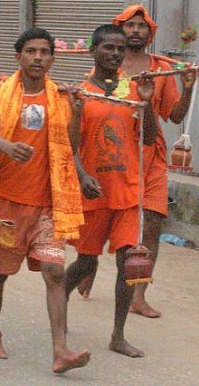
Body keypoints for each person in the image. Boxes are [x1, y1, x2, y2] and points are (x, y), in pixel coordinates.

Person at [0, 27, 93, 374]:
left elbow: (70, 145)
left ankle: (60, 350)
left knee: (54, 272)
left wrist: (78, 112)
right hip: (6, 203)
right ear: (18, 56)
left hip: (47, 207)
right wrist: (7, 146)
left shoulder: (62, 97)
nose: (38, 57)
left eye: (45, 52)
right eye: (31, 51)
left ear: (52, 58)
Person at [75, 6, 197, 317]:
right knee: (99, 223)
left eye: (142, 26)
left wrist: (188, 88)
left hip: (150, 156)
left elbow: (175, 116)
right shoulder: (103, 71)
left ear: (149, 33)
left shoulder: (160, 68)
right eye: (130, 25)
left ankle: (138, 294)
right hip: (113, 159)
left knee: (152, 224)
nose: (136, 31)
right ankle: (87, 266)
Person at [65, 24, 157, 358]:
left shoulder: (132, 90)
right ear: (94, 50)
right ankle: (58, 301)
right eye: (108, 48)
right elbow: (69, 145)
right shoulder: (81, 94)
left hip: (128, 191)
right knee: (86, 263)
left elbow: (148, 139)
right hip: (93, 192)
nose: (115, 54)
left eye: (119, 48)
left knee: (128, 262)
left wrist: (149, 105)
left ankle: (118, 335)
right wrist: (82, 174)